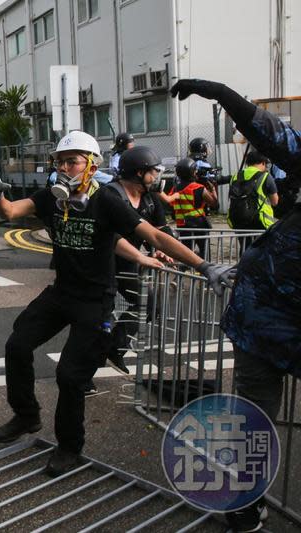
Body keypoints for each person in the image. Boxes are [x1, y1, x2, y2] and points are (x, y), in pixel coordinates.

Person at [0, 129, 234, 476]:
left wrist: (203, 265)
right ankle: (26, 415)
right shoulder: (51, 198)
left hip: (94, 301)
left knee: (70, 376)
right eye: (60, 162)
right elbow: (9, 212)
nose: (65, 169)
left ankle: (70, 446)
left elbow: (155, 234)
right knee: (17, 345)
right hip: (61, 293)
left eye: (72, 162)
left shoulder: (107, 200)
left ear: (91, 164)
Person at [171, 78, 301, 532]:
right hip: (264, 316)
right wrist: (223, 94)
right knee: (254, 416)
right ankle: (247, 503)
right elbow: (270, 131)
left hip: (264, 312)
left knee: (255, 415)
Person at [101, 146, 175, 376]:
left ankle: (114, 349)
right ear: (138, 173)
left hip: (129, 263)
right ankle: (82, 376)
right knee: (98, 317)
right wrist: (143, 256)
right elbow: (112, 237)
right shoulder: (110, 196)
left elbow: (161, 231)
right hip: (101, 265)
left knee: (148, 305)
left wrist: (163, 250)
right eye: (154, 172)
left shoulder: (150, 199)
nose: (157, 177)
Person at [166, 157, 217, 259]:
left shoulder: (175, 189)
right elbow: (214, 204)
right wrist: (213, 189)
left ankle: (182, 272)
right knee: (204, 252)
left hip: (182, 225)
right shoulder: (198, 188)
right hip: (199, 225)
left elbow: (170, 204)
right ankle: (204, 272)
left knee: (186, 253)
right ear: (193, 172)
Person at [227, 150, 278, 251]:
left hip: (238, 219)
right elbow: (275, 201)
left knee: (245, 248)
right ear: (263, 162)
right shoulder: (265, 176)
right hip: (260, 221)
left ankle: (243, 266)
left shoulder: (235, 176)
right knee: (261, 250)